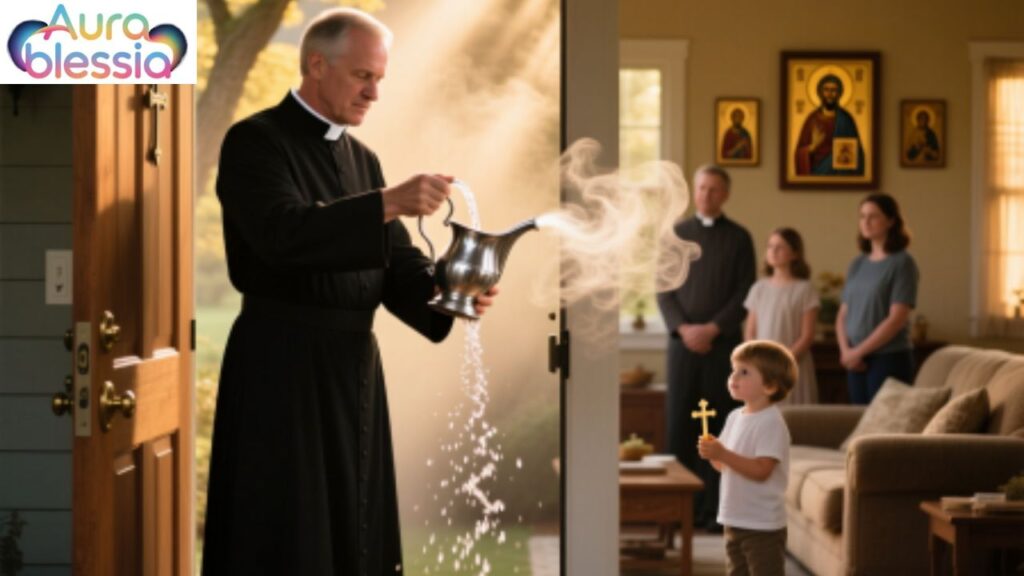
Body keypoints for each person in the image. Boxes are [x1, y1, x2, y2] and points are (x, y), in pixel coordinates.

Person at [202, 9, 498, 575]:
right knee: (289, 531)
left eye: (380, 79)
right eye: (365, 76)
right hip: (281, 371)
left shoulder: (363, 160)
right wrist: (388, 201)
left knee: (355, 530)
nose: (375, 93)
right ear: (318, 64)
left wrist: (454, 289)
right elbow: (282, 235)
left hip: (354, 372)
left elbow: (398, 268)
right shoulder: (254, 142)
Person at [657, 164, 755, 531]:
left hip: (722, 348)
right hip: (683, 348)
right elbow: (663, 288)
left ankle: (715, 512)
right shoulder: (676, 235)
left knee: (719, 429)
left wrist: (713, 328)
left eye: (714, 189)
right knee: (680, 427)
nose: (706, 195)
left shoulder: (740, 238)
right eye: (701, 188)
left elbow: (745, 290)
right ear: (694, 191)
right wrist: (684, 329)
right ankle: (674, 515)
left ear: (725, 194)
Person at [697, 340, 794, 576]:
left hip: (762, 523)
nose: (733, 377)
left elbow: (762, 471)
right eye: (733, 370)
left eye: (744, 372)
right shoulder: (734, 417)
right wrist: (713, 454)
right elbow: (724, 466)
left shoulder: (771, 422)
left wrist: (723, 453)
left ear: (769, 386)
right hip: (735, 517)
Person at [836, 193, 918, 405]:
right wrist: (846, 351)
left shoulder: (902, 263)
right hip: (855, 360)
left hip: (888, 358)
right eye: (862, 216)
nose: (866, 222)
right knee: (859, 424)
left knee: (883, 430)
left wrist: (857, 352)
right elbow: (843, 314)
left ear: (891, 221)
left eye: (873, 216)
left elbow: (897, 318)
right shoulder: (857, 264)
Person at [744, 228, 819, 404]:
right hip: (762, 369)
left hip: (792, 366)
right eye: (770, 246)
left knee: (795, 420)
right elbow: (750, 331)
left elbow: (807, 336)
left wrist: (782, 363)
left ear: (794, 254)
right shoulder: (759, 288)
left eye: (780, 247)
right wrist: (758, 362)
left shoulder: (805, 289)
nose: (773, 251)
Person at [794, 74, 864, 175]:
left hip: (842, 171)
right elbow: (799, 153)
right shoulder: (812, 119)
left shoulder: (845, 119)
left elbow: (857, 151)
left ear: (839, 93)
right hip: (818, 170)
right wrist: (812, 147)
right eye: (826, 90)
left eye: (833, 90)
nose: (829, 94)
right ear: (820, 92)